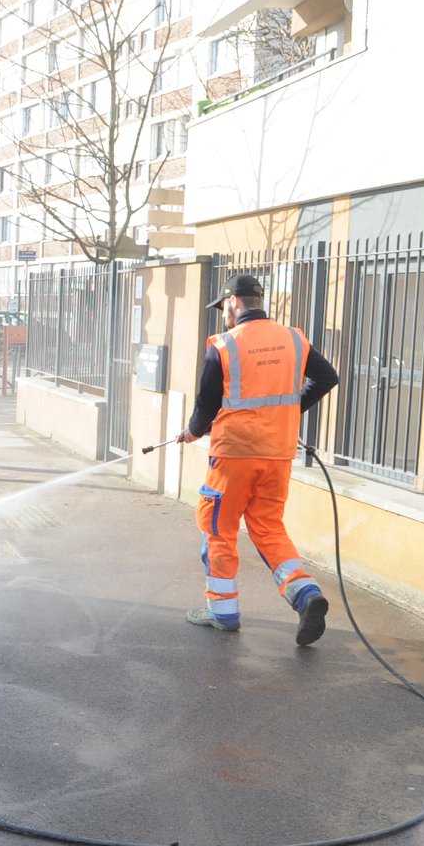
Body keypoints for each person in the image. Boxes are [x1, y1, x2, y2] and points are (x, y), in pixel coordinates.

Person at [175, 273, 340, 645]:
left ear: (234, 302)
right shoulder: (293, 339)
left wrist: (194, 430)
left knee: (219, 528)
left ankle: (222, 612)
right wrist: (291, 413)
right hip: (278, 454)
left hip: (234, 455)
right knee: (268, 528)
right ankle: (305, 593)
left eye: (223, 308)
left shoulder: (224, 345)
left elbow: (206, 403)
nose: (223, 315)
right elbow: (327, 377)